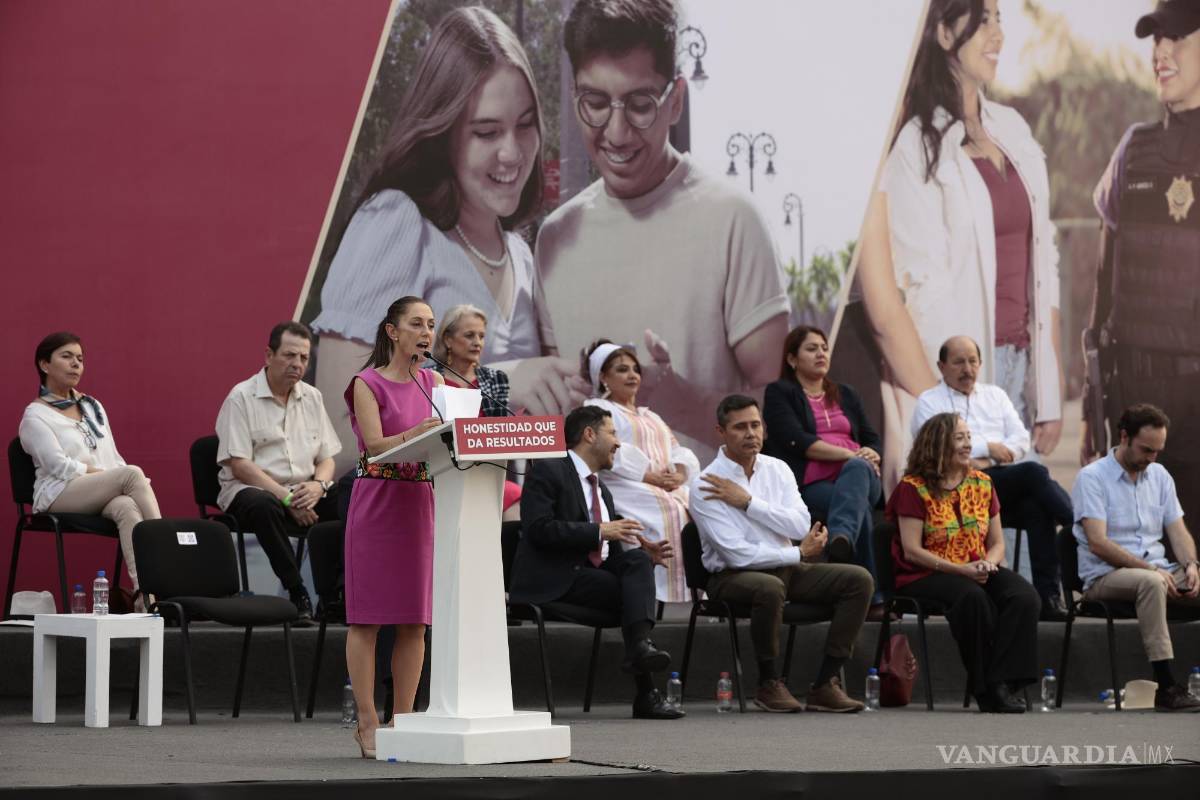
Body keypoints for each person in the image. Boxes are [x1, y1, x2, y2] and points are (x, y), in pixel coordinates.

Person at [311, 6, 586, 475]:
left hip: (514, 528)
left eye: (525, 124)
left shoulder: (521, 252)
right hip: (420, 526)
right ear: (443, 133)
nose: (513, 152)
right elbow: (339, 436)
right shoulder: (396, 221)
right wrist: (499, 384)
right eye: (486, 131)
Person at [535, 0, 789, 460]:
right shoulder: (554, 237)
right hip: (592, 524)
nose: (615, 131)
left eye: (639, 104)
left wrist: (681, 402)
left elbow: (787, 426)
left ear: (675, 101)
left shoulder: (734, 221)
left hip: (706, 523)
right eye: (594, 102)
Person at [858, 0, 1064, 487]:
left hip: (1023, 363)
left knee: (1025, 535)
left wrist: (1049, 389)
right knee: (975, 535)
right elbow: (922, 293)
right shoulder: (916, 147)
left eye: (1000, 19)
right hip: (971, 369)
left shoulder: (1013, 128)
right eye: (982, 20)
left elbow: (1046, 263)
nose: (997, 34)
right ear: (945, 35)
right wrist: (958, 404)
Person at [1082, 0, 1200, 536]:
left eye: (1176, 38)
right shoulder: (1134, 148)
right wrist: (1092, 398)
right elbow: (1103, 291)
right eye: (1155, 40)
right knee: (1147, 574)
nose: (1161, 52)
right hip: (1136, 398)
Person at [689, 395, 873, 713]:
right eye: (740, 427)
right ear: (720, 431)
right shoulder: (707, 483)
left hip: (786, 568)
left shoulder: (778, 468)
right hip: (730, 578)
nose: (751, 433)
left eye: (756, 425)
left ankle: (825, 684)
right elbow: (735, 555)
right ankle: (768, 682)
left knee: (858, 580)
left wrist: (748, 502)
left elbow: (800, 523)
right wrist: (797, 554)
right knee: (768, 587)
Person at [509, 405, 682, 720]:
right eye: (613, 433)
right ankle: (645, 685)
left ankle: (640, 649)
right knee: (633, 600)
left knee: (639, 564)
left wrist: (642, 553)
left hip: (591, 578)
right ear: (589, 434)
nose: (618, 443)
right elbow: (538, 529)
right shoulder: (549, 469)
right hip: (554, 579)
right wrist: (601, 530)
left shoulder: (599, 487)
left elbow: (612, 551)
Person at [343, 296, 446, 756]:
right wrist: (418, 432)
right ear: (393, 331)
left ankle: (401, 721)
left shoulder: (436, 381)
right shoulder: (366, 383)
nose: (426, 332)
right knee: (367, 621)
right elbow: (375, 445)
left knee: (414, 623)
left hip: (419, 504)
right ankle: (367, 721)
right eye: (416, 324)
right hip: (378, 503)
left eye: (430, 324)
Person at [887, 412, 1040, 713]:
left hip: (975, 567)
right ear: (937, 444)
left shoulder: (983, 483)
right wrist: (961, 570)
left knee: (1024, 597)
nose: (968, 444)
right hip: (926, 572)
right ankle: (988, 690)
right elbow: (912, 550)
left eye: (969, 437)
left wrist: (987, 564)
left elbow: (996, 543)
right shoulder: (913, 487)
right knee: (972, 597)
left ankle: (1003, 680)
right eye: (960, 438)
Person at [910, 336, 1072, 619]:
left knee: (1037, 509)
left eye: (973, 361)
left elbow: (1021, 440)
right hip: (954, 491)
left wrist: (987, 455)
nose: (967, 369)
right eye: (959, 362)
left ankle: (1048, 598)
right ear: (942, 366)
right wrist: (990, 448)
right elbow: (938, 448)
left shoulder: (995, 395)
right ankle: (1076, 523)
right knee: (1034, 472)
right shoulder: (929, 401)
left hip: (995, 484)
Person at [1072, 403, 1200, 712]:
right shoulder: (1092, 478)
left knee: (1168, 578)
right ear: (1124, 437)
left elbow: (1177, 532)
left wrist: (1191, 565)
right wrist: (1151, 568)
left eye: (1157, 451)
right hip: (1104, 576)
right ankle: (1167, 685)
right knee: (1151, 582)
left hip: (1158, 569)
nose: (1152, 458)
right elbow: (1098, 544)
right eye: (1146, 450)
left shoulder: (1159, 475)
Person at [19, 332, 161, 598]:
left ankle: (148, 596)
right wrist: (115, 478)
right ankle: (169, 556)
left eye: (80, 359)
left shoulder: (92, 406)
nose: (76, 364)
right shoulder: (35, 416)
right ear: (44, 364)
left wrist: (116, 478)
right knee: (131, 475)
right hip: (59, 493)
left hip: (96, 490)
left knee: (126, 506)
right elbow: (59, 467)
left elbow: (113, 457)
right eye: (66, 356)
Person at [215, 321, 341, 622]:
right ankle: (297, 592)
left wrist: (319, 487)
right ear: (269, 355)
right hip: (253, 492)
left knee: (349, 495)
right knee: (264, 505)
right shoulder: (241, 397)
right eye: (289, 355)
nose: (297, 364)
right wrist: (287, 498)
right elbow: (240, 465)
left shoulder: (312, 397)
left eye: (304, 358)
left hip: (304, 493)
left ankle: (333, 596)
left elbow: (327, 459)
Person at [762, 325, 885, 615]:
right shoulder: (781, 392)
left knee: (856, 474)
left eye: (824, 347)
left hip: (862, 477)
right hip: (814, 483)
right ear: (792, 359)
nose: (821, 353)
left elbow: (873, 438)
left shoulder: (846, 394)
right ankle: (870, 600)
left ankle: (841, 539)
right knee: (860, 511)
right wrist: (851, 453)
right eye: (812, 348)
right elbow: (798, 441)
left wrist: (871, 452)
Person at [582, 340, 699, 603]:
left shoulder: (651, 416)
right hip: (622, 484)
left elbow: (677, 449)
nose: (632, 375)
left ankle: (695, 592)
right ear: (603, 377)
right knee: (669, 508)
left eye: (635, 369)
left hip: (663, 484)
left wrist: (679, 474)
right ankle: (657, 592)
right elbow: (607, 450)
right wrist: (648, 476)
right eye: (622, 369)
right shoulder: (598, 409)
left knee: (698, 505)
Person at [432, 303, 520, 520]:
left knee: (515, 495)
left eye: (481, 336)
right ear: (448, 339)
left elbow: (502, 431)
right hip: (440, 472)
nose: (477, 342)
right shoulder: (428, 378)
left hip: (486, 470)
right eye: (469, 335)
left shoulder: (495, 379)